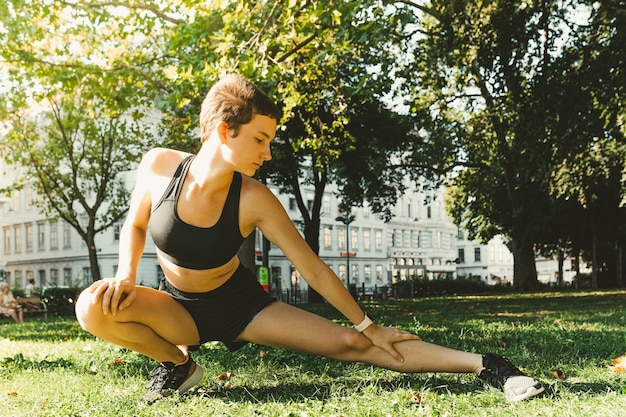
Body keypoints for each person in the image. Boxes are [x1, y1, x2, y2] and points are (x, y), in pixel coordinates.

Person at [75, 74, 544, 403]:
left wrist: (367, 326)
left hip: (241, 307)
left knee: (362, 349)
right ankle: (179, 367)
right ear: (225, 130)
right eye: (260, 139)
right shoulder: (159, 166)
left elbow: (313, 269)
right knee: (92, 306)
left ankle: (490, 366)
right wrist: (125, 274)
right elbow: (136, 223)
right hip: (178, 310)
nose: (268, 152)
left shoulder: (255, 199)